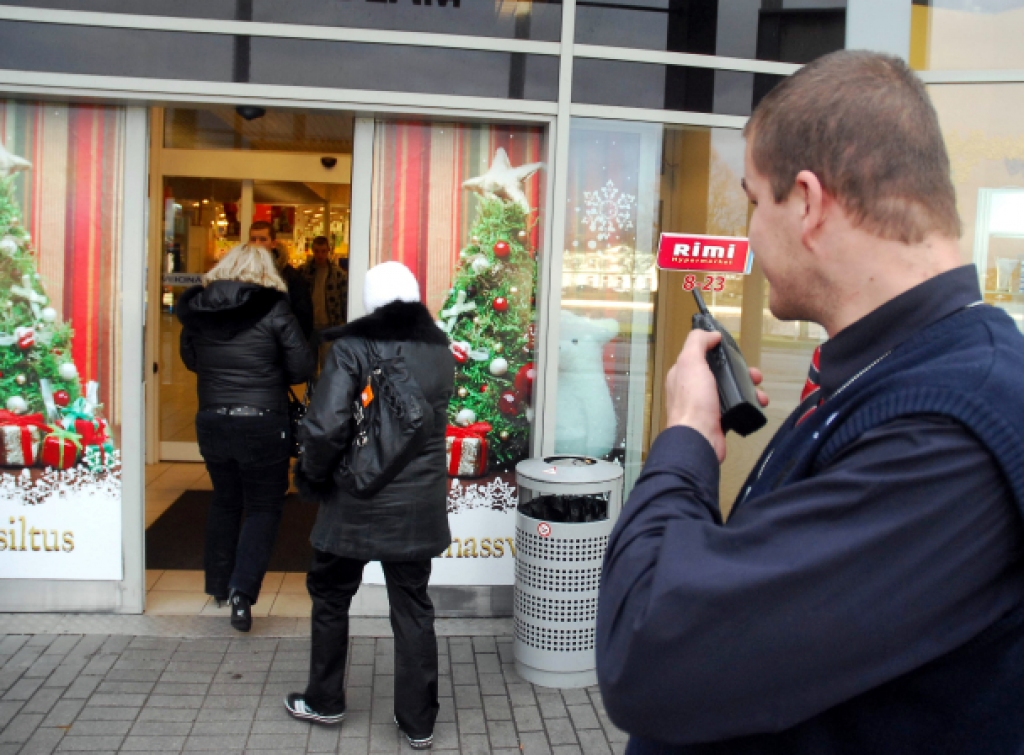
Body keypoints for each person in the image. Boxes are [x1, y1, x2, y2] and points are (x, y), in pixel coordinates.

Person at [596, 50, 1024, 754]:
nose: (749, 231)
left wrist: (685, 440)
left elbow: (646, 648)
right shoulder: (892, 369)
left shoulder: (946, 434)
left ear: (808, 202)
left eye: (754, 200)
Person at [285, 262, 454, 750]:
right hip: (417, 502)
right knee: (413, 607)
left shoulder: (354, 348)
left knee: (332, 595)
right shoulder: (439, 351)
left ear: (369, 301)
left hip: (353, 500)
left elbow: (324, 427)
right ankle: (418, 722)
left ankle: (325, 699)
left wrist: (313, 477)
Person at [178, 244, 315, 632]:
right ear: (266, 273)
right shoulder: (274, 308)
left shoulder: (200, 309)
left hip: (212, 419)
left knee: (224, 499)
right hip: (262, 422)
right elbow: (301, 367)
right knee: (262, 507)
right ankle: (242, 592)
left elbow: (191, 360)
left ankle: (219, 585)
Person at [248, 219, 314, 339]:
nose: (257, 244)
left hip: (278, 342)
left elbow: (303, 318)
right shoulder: (242, 274)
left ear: (273, 243)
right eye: (253, 239)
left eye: (263, 239)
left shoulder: (290, 277)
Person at [300, 235, 348, 333]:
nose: (320, 255)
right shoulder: (303, 272)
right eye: (317, 251)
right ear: (313, 251)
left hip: (332, 323)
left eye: (323, 251)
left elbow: (344, 299)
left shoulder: (338, 274)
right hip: (309, 324)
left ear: (328, 251)